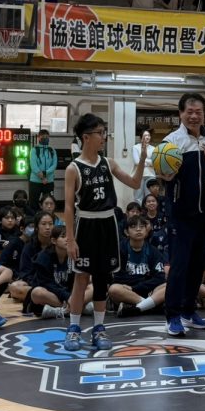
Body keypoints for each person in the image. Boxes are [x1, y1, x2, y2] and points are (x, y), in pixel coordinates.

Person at [62, 113, 147, 350]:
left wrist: (142, 158)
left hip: (108, 224)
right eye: (100, 133)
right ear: (86, 137)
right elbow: (68, 207)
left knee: (101, 279)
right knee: (81, 279)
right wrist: (70, 239)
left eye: (104, 132)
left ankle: (99, 328)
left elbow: (134, 183)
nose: (103, 137)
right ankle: (73, 329)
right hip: (86, 225)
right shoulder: (73, 168)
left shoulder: (109, 163)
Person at [161, 93, 205, 337]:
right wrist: (165, 175)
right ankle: (173, 315)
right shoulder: (170, 142)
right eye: (190, 111)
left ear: (204, 114)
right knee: (179, 266)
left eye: (199, 112)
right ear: (180, 114)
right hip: (180, 214)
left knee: (197, 266)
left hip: (204, 213)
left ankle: (188, 311)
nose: (194, 116)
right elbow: (163, 175)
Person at [110, 214, 167, 318]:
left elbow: (160, 277)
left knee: (168, 286)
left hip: (149, 291)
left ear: (146, 231)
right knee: (114, 289)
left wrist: (136, 286)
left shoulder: (153, 251)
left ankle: (136, 308)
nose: (138, 229)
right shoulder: (120, 249)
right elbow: (118, 277)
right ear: (126, 232)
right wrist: (138, 284)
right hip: (127, 292)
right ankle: (150, 306)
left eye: (142, 227)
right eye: (133, 227)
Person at [28, 129, 58, 212]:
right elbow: (33, 166)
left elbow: (54, 165)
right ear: (39, 137)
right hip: (35, 181)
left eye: (47, 137)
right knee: (33, 204)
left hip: (49, 181)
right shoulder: (34, 150)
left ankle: (48, 218)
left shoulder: (52, 150)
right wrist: (42, 177)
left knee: (49, 203)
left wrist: (45, 173)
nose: (45, 138)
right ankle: (33, 218)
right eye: (43, 137)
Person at [132, 128, 156, 202]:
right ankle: (139, 209)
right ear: (141, 137)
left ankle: (147, 210)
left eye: (149, 135)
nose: (147, 137)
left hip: (151, 174)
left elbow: (154, 163)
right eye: (145, 135)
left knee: (150, 196)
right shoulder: (135, 147)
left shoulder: (154, 148)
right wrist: (149, 162)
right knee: (138, 197)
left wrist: (142, 160)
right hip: (139, 175)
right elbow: (136, 162)